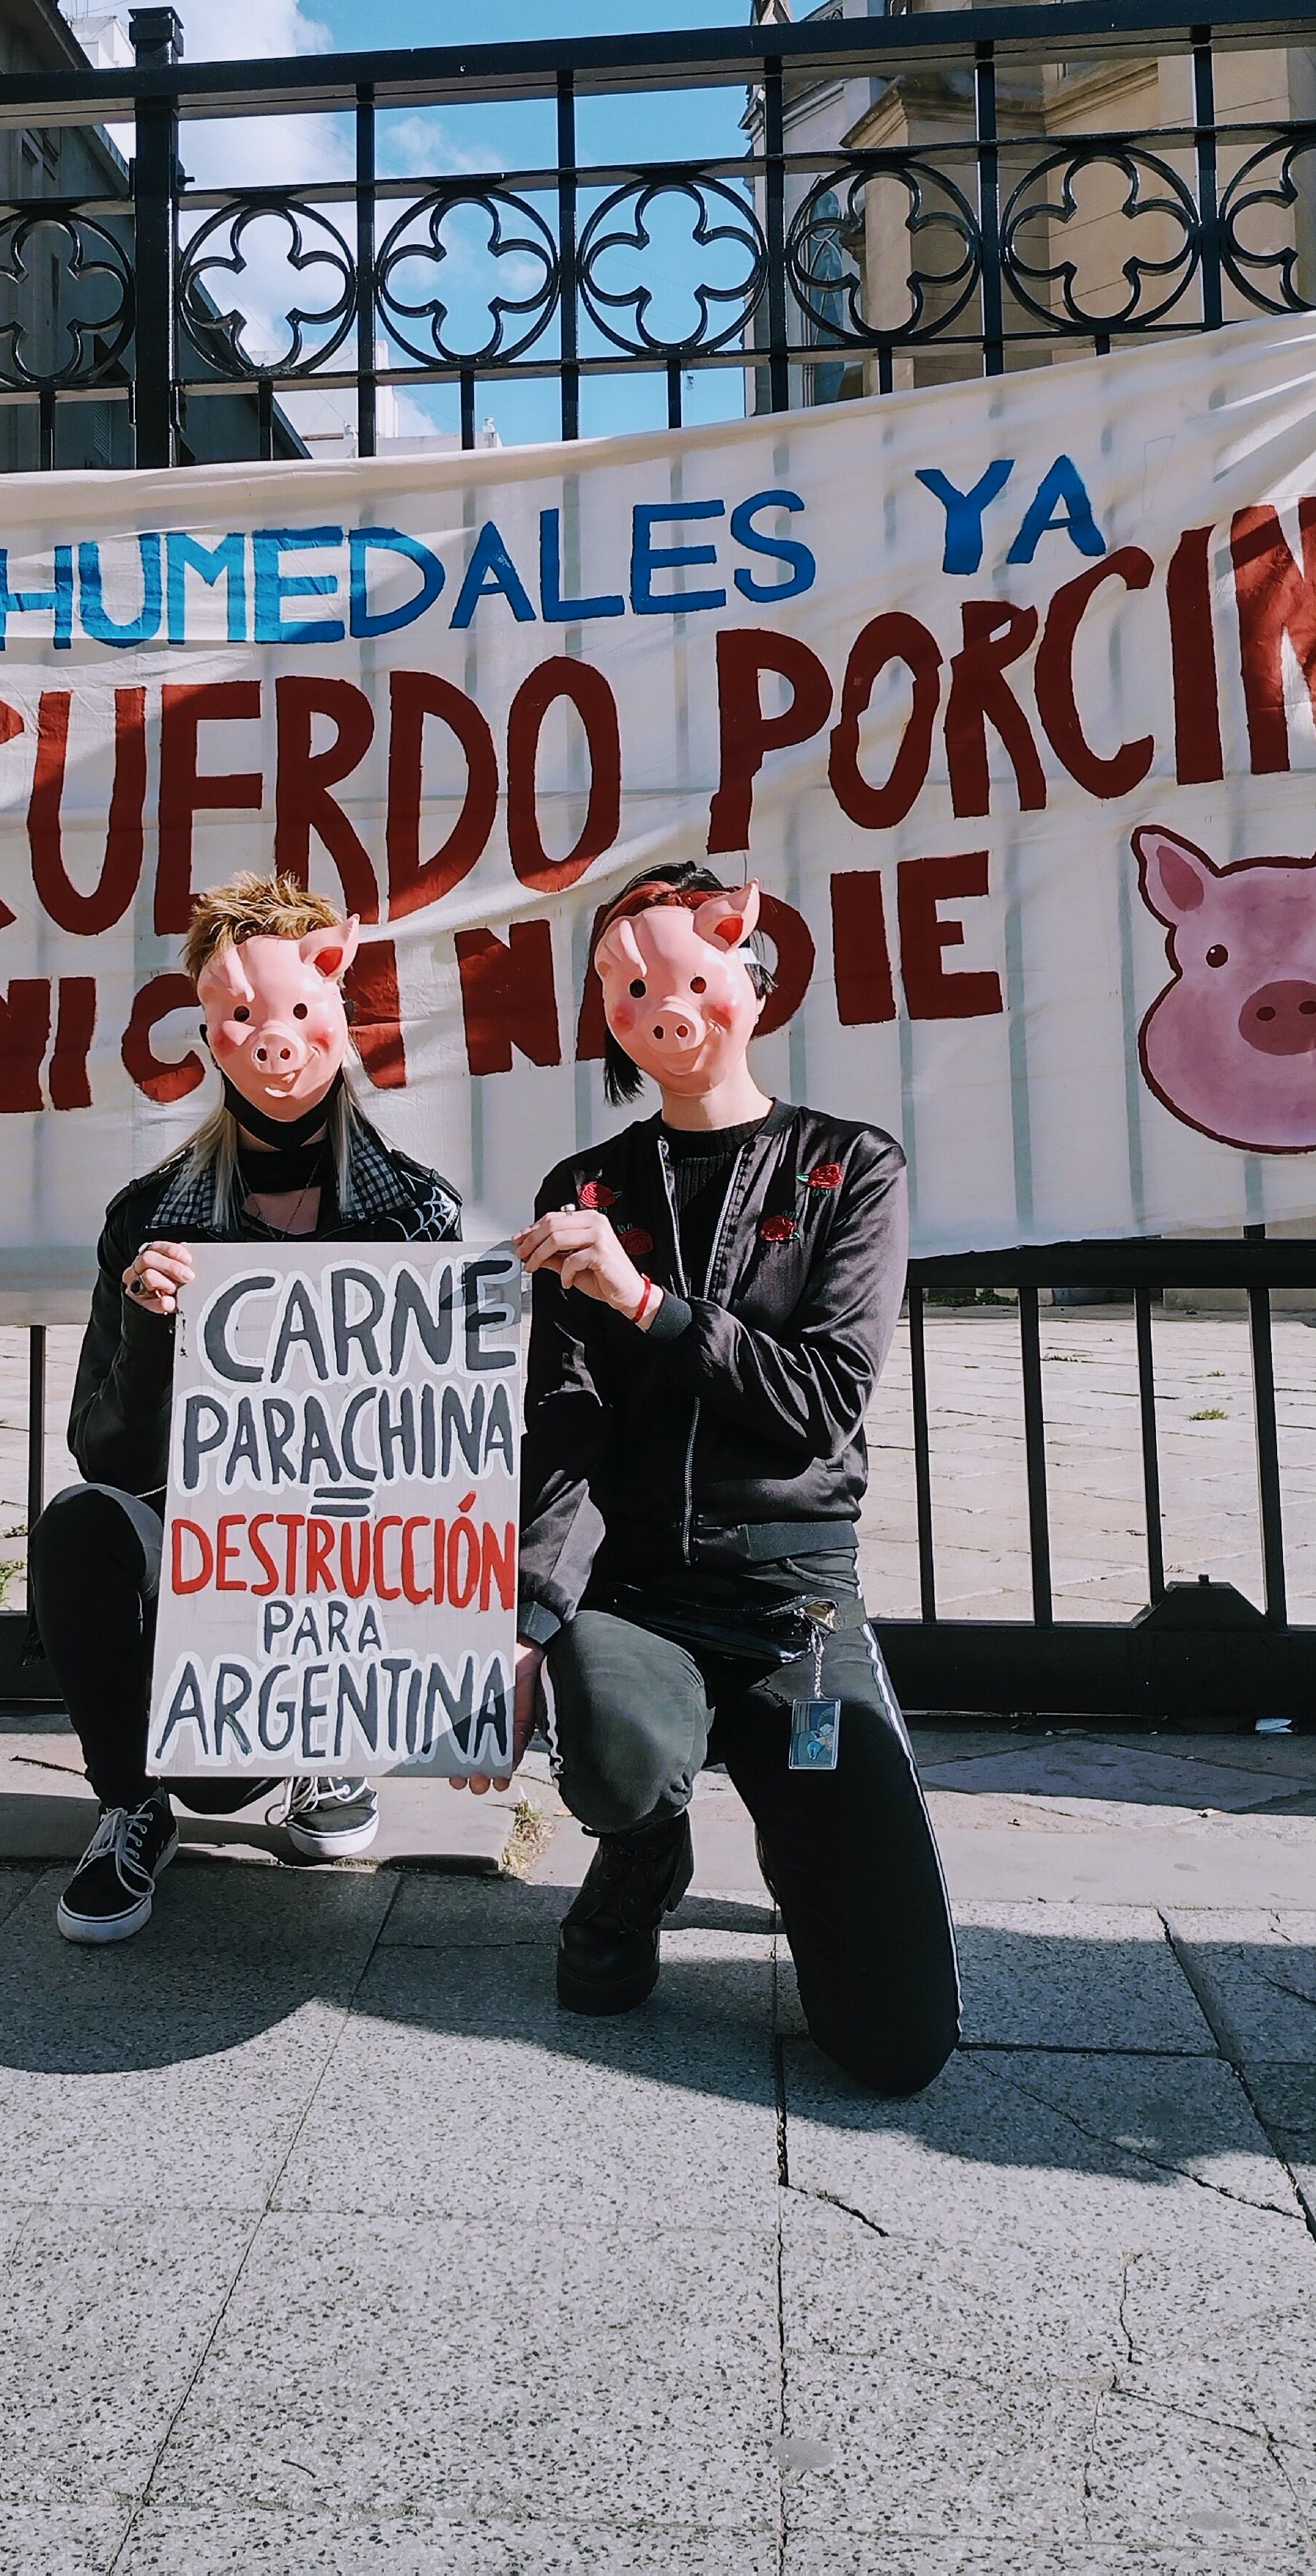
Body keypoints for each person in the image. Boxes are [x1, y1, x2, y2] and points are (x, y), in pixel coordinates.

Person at [492, 859, 961, 2095]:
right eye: (630, 987)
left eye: (687, 978)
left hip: (794, 1609)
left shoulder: (851, 1167)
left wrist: (645, 1301)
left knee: (894, 2045)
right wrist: (528, 1620)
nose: (663, 1009)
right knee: (615, 1746)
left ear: (748, 979)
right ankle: (645, 1852)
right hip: (644, 1597)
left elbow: (819, 1401)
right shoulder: (584, 1190)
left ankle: (811, 1851)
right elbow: (566, 1419)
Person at [34, 869, 459, 1942]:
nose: (276, 1043)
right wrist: (143, 1327)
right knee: (79, 1529)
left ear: (336, 1019)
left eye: (299, 1014)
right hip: (203, 1548)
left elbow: (453, 1452)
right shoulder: (151, 1218)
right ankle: (132, 1804)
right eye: (242, 1018)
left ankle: (332, 1746)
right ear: (213, 1037)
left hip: (344, 1558)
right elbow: (103, 1453)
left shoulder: (418, 1213)